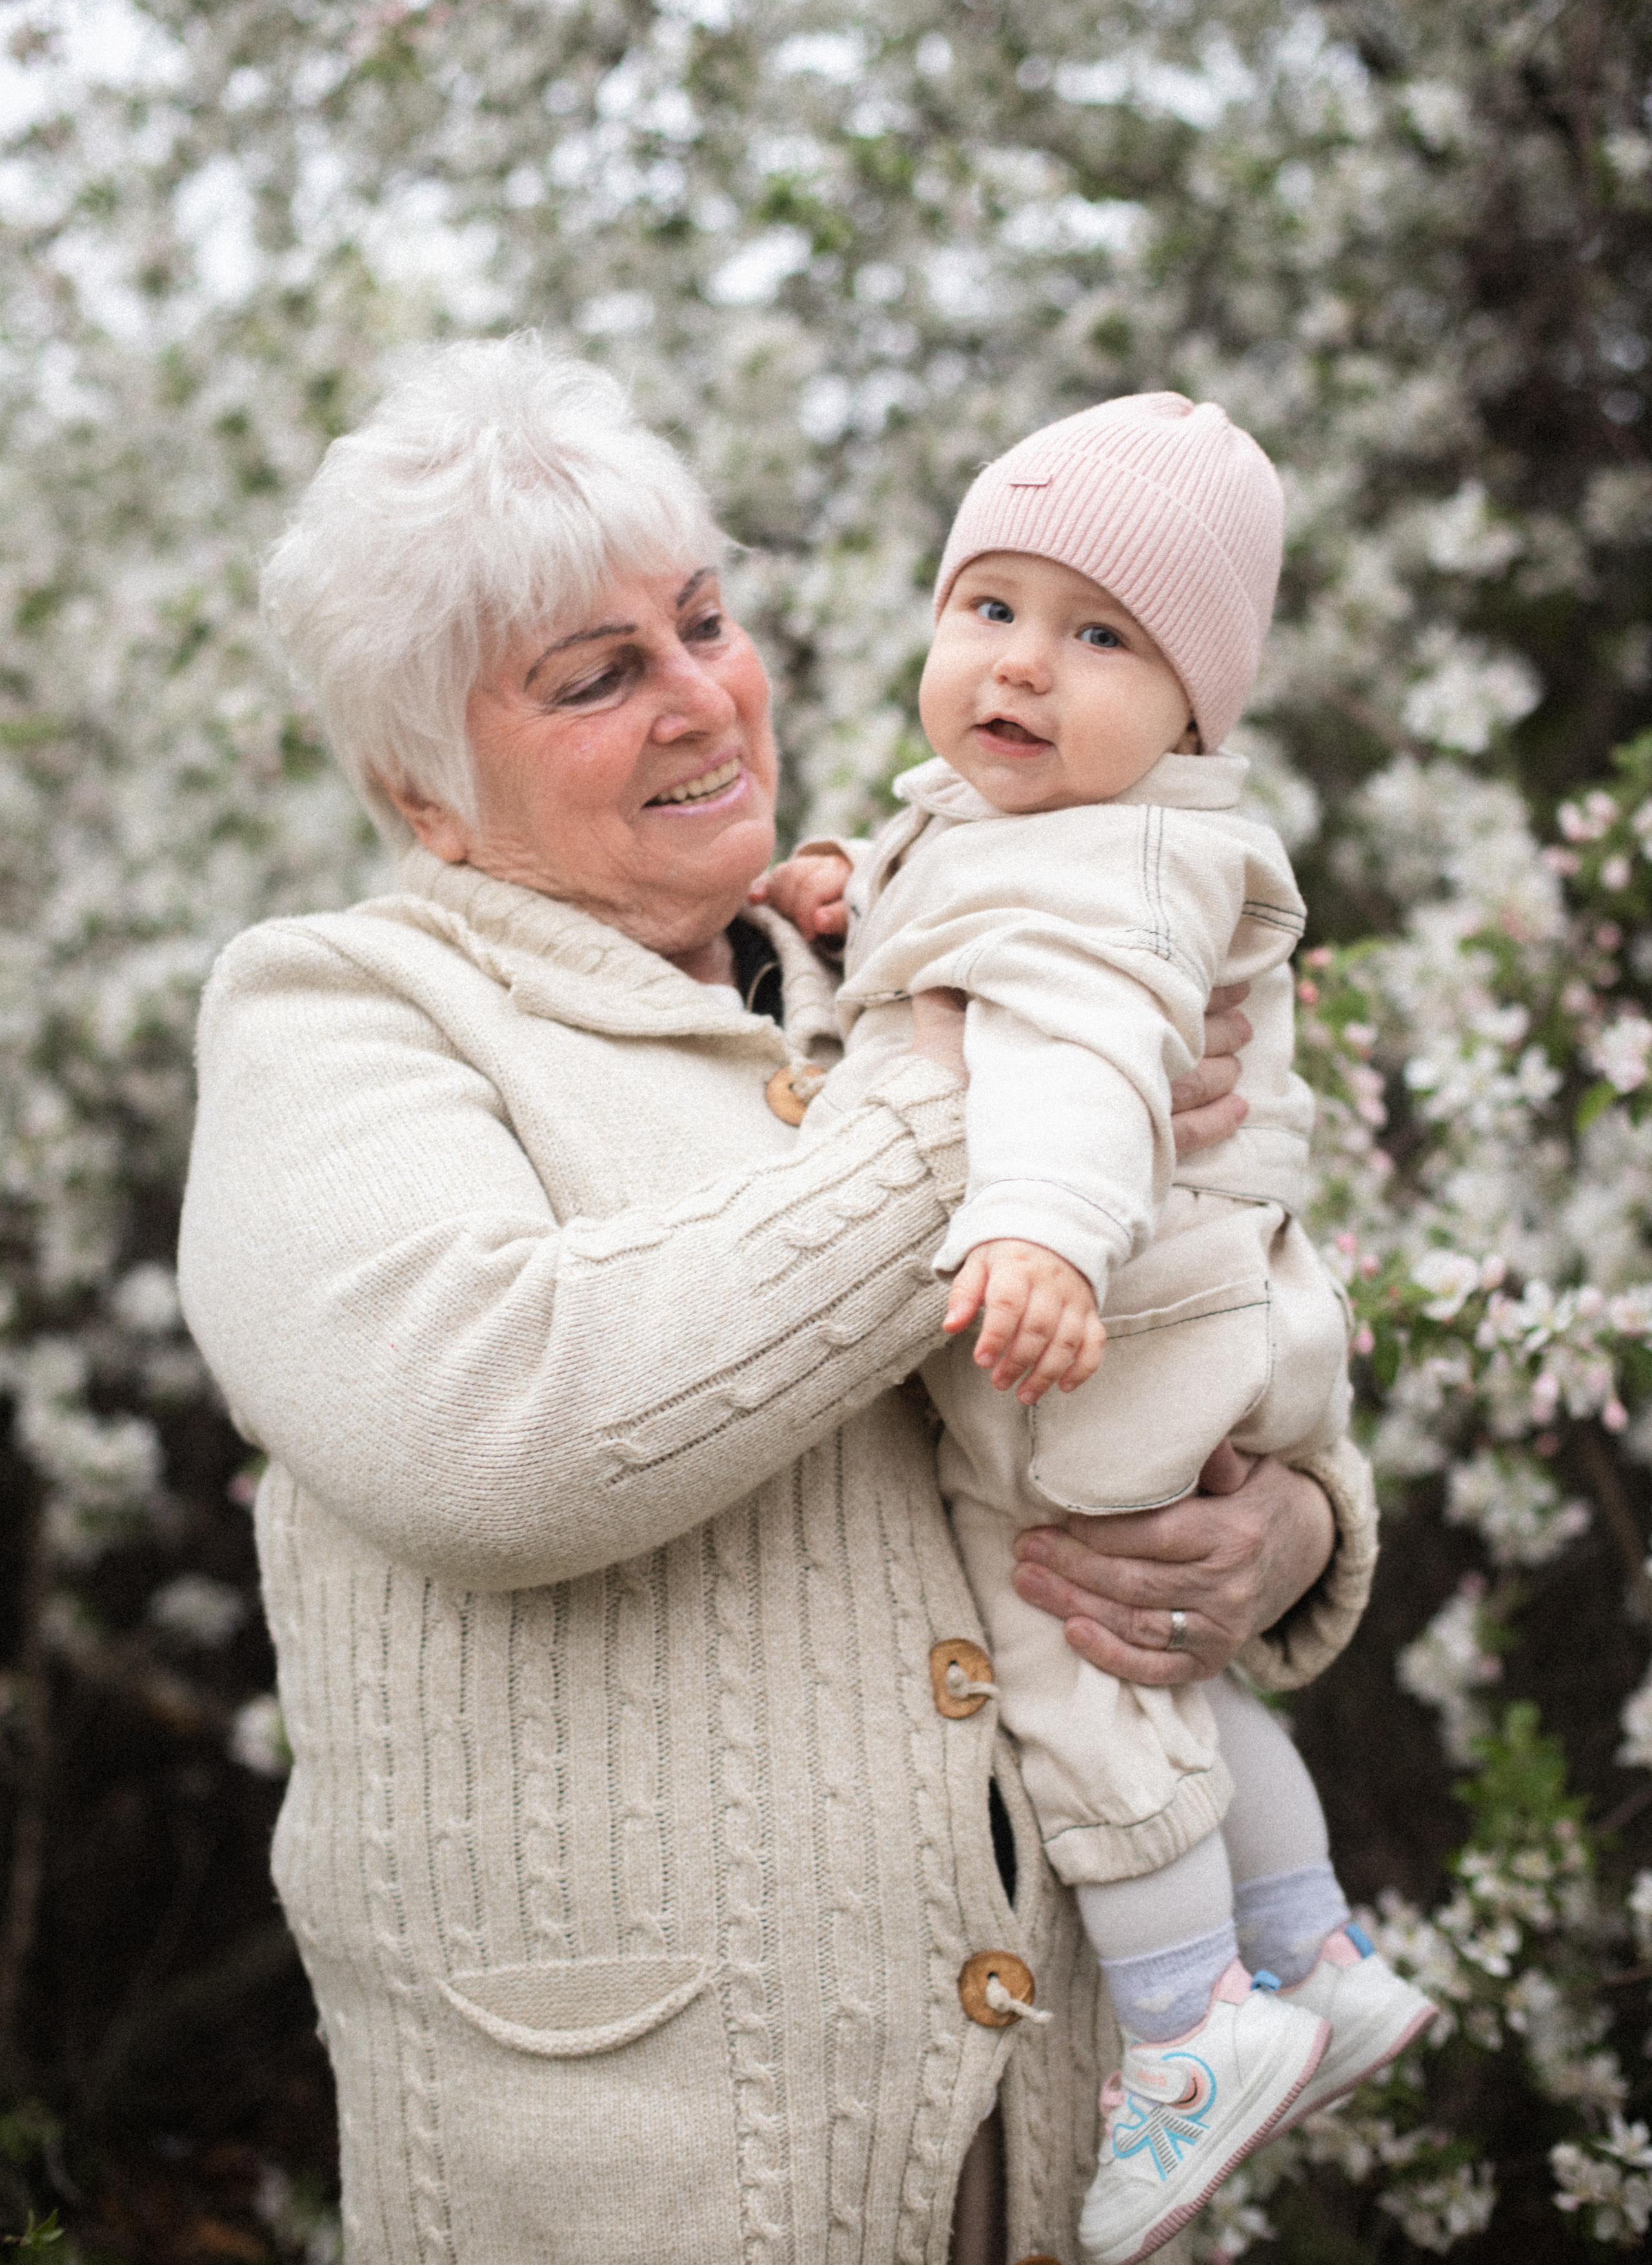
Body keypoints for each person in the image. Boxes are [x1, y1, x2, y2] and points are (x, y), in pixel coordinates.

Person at [177, 338, 1378, 2265]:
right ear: (421, 785)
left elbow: (1214, 1287)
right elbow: (497, 1431)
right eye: (597, 675)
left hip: (1069, 2134)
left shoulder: (891, 957)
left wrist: (1290, 1524)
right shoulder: (340, 1014)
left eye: (707, 623)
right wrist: (970, 1112)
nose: (702, 700)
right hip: (658, 2173)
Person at [760, 396, 1431, 2264]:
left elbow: (1076, 1051)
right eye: (989, 607)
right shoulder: (1038, 825)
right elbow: (948, 927)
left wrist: (1043, 1234)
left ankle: (1193, 2027)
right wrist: (845, 897)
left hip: (1104, 1325)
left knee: (1069, 1652)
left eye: (1100, 637)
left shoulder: (1108, 867)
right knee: (1182, 1672)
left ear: (1196, 715)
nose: (1023, 667)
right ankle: (1310, 1941)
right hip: (1212, 1326)